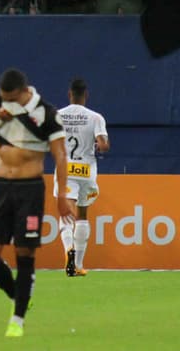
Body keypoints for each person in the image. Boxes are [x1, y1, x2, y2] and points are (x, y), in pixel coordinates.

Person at [0, 68, 74, 337]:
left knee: (25, 252)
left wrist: (63, 194)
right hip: (0, 186)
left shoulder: (47, 113)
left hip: (29, 189)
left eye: (11, 97)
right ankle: (18, 295)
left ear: (23, 91)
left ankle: (17, 319)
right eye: (3, 97)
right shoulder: (1, 105)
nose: (7, 101)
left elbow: (61, 155)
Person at [54, 78, 109, 277]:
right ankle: (78, 264)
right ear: (86, 95)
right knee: (82, 214)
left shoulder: (58, 115)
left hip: (65, 168)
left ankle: (68, 249)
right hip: (86, 169)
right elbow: (103, 144)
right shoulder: (95, 117)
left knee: (66, 215)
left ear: (69, 94)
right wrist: (97, 146)